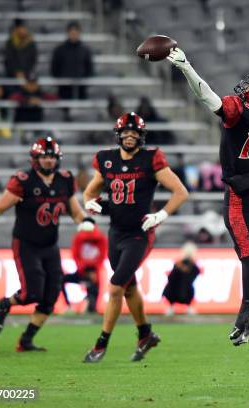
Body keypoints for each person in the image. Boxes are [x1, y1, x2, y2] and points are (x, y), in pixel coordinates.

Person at [167, 47, 249, 345]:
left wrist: (186, 68)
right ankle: (247, 311)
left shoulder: (240, 112)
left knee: (248, 257)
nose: (245, 90)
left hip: (240, 193)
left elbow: (207, 96)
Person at [82, 112, 188, 363]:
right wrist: (92, 204)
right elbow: (89, 193)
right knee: (128, 288)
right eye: (126, 132)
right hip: (115, 232)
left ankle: (100, 344)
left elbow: (180, 192)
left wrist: (160, 215)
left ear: (141, 136)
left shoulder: (150, 159)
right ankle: (145, 334)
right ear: (118, 134)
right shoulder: (106, 160)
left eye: (134, 133)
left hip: (139, 235)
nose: (130, 136)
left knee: (116, 286)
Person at [0, 137, 93, 351]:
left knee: (50, 297)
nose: (48, 161)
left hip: (50, 246)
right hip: (26, 244)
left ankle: (26, 340)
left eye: (52, 157)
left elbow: (74, 210)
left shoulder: (64, 179)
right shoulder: (24, 180)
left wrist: (83, 220)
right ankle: (4, 305)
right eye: (44, 157)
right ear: (35, 159)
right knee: (32, 293)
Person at [62, 222, 108, 313]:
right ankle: (71, 304)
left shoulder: (99, 239)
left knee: (92, 300)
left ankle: (88, 302)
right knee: (61, 280)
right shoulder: (80, 239)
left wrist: (92, 270)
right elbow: (76, 256)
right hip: (83, 272)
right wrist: (85, 270)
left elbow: (101, 257)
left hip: (93, 273)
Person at [50, 21, 94, 100]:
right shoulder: (59, 50)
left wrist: (84, 82)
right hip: (64, 88)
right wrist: (61, 81)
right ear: (68, 33)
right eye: (72, 32)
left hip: (81, 88)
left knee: (81, 110)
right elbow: (54, 68)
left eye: (76, 32)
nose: (74, 34)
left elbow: (89, 68)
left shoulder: (85, 50)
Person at [163, 242, 200, 315]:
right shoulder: (178, 264)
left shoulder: (194, 266)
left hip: (186, 290)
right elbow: (171, 278)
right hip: (174, 289)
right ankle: (171, 307)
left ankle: (188, 307)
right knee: (172, 289)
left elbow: (194, 276)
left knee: (189, 288)